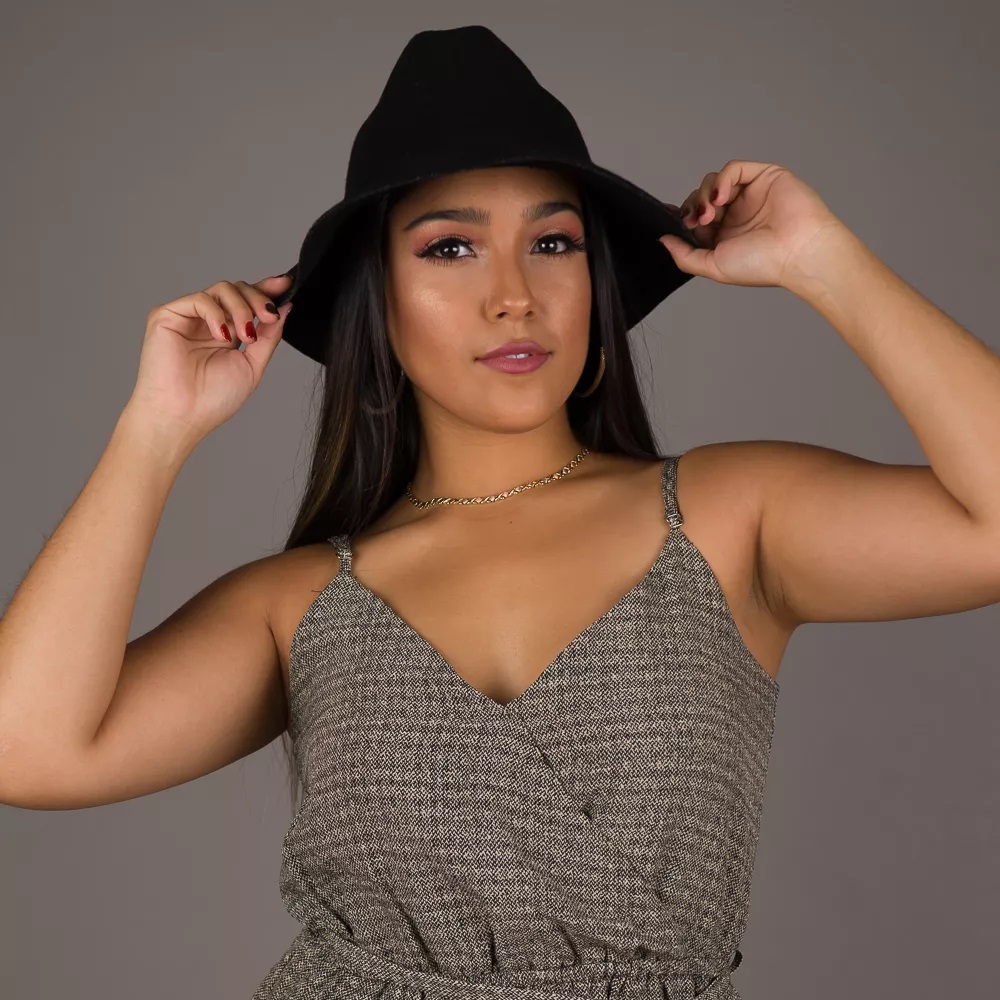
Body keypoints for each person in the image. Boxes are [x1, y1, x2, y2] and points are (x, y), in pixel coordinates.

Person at [4, 24, 999, 1000]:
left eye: (553, 242)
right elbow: (26, 747)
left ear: (595, 280)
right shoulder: (297, 603)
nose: (514, 295)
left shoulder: (730, 519)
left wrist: (824, 260)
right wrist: (156, 430)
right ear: (376, 297)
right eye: (451, 248)